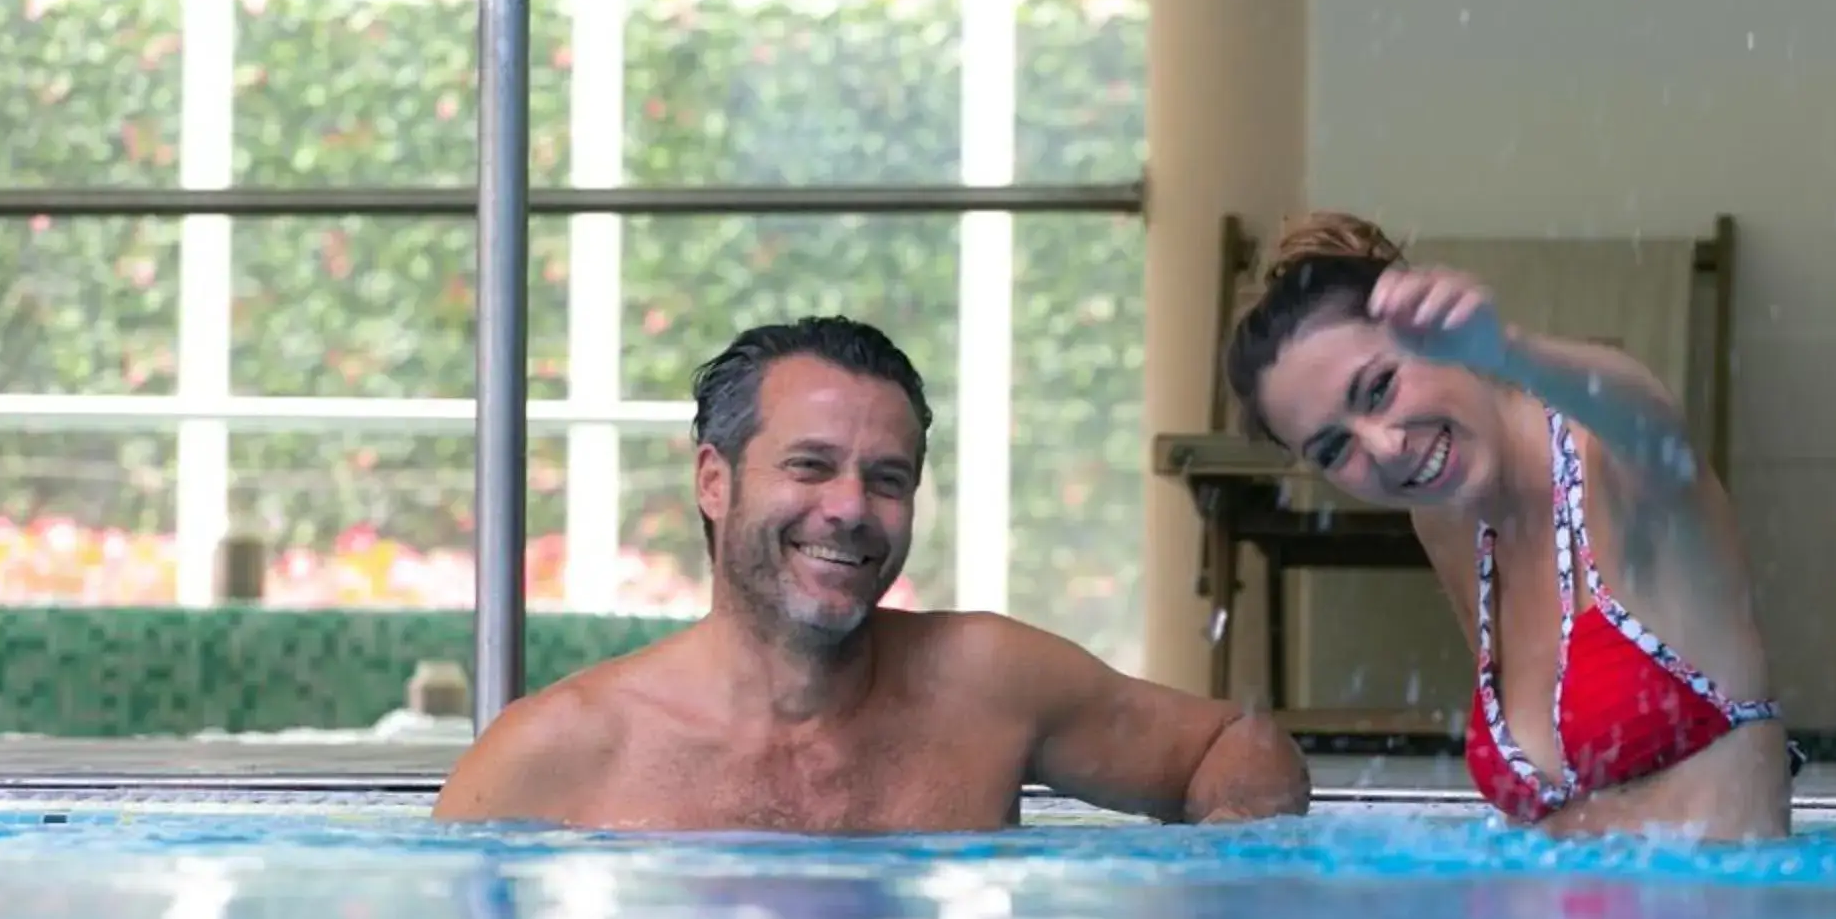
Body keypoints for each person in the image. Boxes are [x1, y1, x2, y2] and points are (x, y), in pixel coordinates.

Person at [434, 315, 1310, 833]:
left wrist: (1222, 915)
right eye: (810, 467)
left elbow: (1237, 747)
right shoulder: (560, 753)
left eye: (887, 479)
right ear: (714, 480)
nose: (851, 508)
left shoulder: (986, 684)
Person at [1222, 214, 1795, 842]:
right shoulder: (1447, 522)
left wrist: (1507, 349)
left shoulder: (1620, 469)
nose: (1384, 448)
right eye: (1334, 449)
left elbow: (1649, 417)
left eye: (1380, 388)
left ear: (1440, 339)